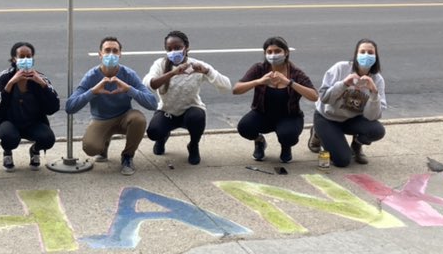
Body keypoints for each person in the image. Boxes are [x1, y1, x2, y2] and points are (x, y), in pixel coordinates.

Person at [65, 36, 157, 176]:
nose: (111, 54)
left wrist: (129, 89)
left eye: (115, 51)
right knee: (90, 148)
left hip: (124, 117)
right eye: (107, 50)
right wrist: (93, 91)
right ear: (100, 54)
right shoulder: (91, 76)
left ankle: (127, 156)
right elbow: (70, 107)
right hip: (101, 119)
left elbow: (152, 103)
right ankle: (103, 146)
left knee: (139, 119)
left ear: (120, 54)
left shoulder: (128, 74)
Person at [143, 30, 231, 166]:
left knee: (197, 116)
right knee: (154, 132)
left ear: (186, 47)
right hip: (167, 111)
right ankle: (162, 137)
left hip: (189, 110)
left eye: (177, 48)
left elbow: (226, 86)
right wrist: (172, 73)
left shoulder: (197, 65)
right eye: (169, 49)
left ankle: (193, 145)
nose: (174, 52)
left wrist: (207, 71)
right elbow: (148, 84)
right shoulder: (160, 64)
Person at [233, 36, 318, 164]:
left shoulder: (295, 73)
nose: (273, 55)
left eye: (277, 51)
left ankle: (286, 146)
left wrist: (289, 82)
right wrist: (259, 81)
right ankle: (259, 141)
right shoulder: (259, 68)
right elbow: (236, 89)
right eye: (269, 52)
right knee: (244, 127)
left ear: (286, 52)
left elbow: (314, 96)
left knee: (288, 136)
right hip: (263, 114)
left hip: (289, 116)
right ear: (265, 53)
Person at [309, 39, 387, 168]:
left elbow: (372, 116)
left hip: (351, 119)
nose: (366, 55)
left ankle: (357, 145)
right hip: (327, 118)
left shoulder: (377, 79)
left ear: (376, 57)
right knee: (342, 161)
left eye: (370, 52)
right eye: (362, 52)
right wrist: (344, 84)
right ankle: (318, 133)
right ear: (356, 54)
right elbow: (323, 98)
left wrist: (373, 92)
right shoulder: (340, 68)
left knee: (377, 131)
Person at [0, 41, 60, 171]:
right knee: (9, 137)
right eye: (21, 57)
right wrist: (10, 84)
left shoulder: (40, 78)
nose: (25, 60)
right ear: (14, 59)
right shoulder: (5, 77)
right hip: (9, 122)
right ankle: (7, 151)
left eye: (28, 57)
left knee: (48, 139)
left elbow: (54, 107)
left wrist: (42, 84)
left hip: (32, 123)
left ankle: (35, 150)